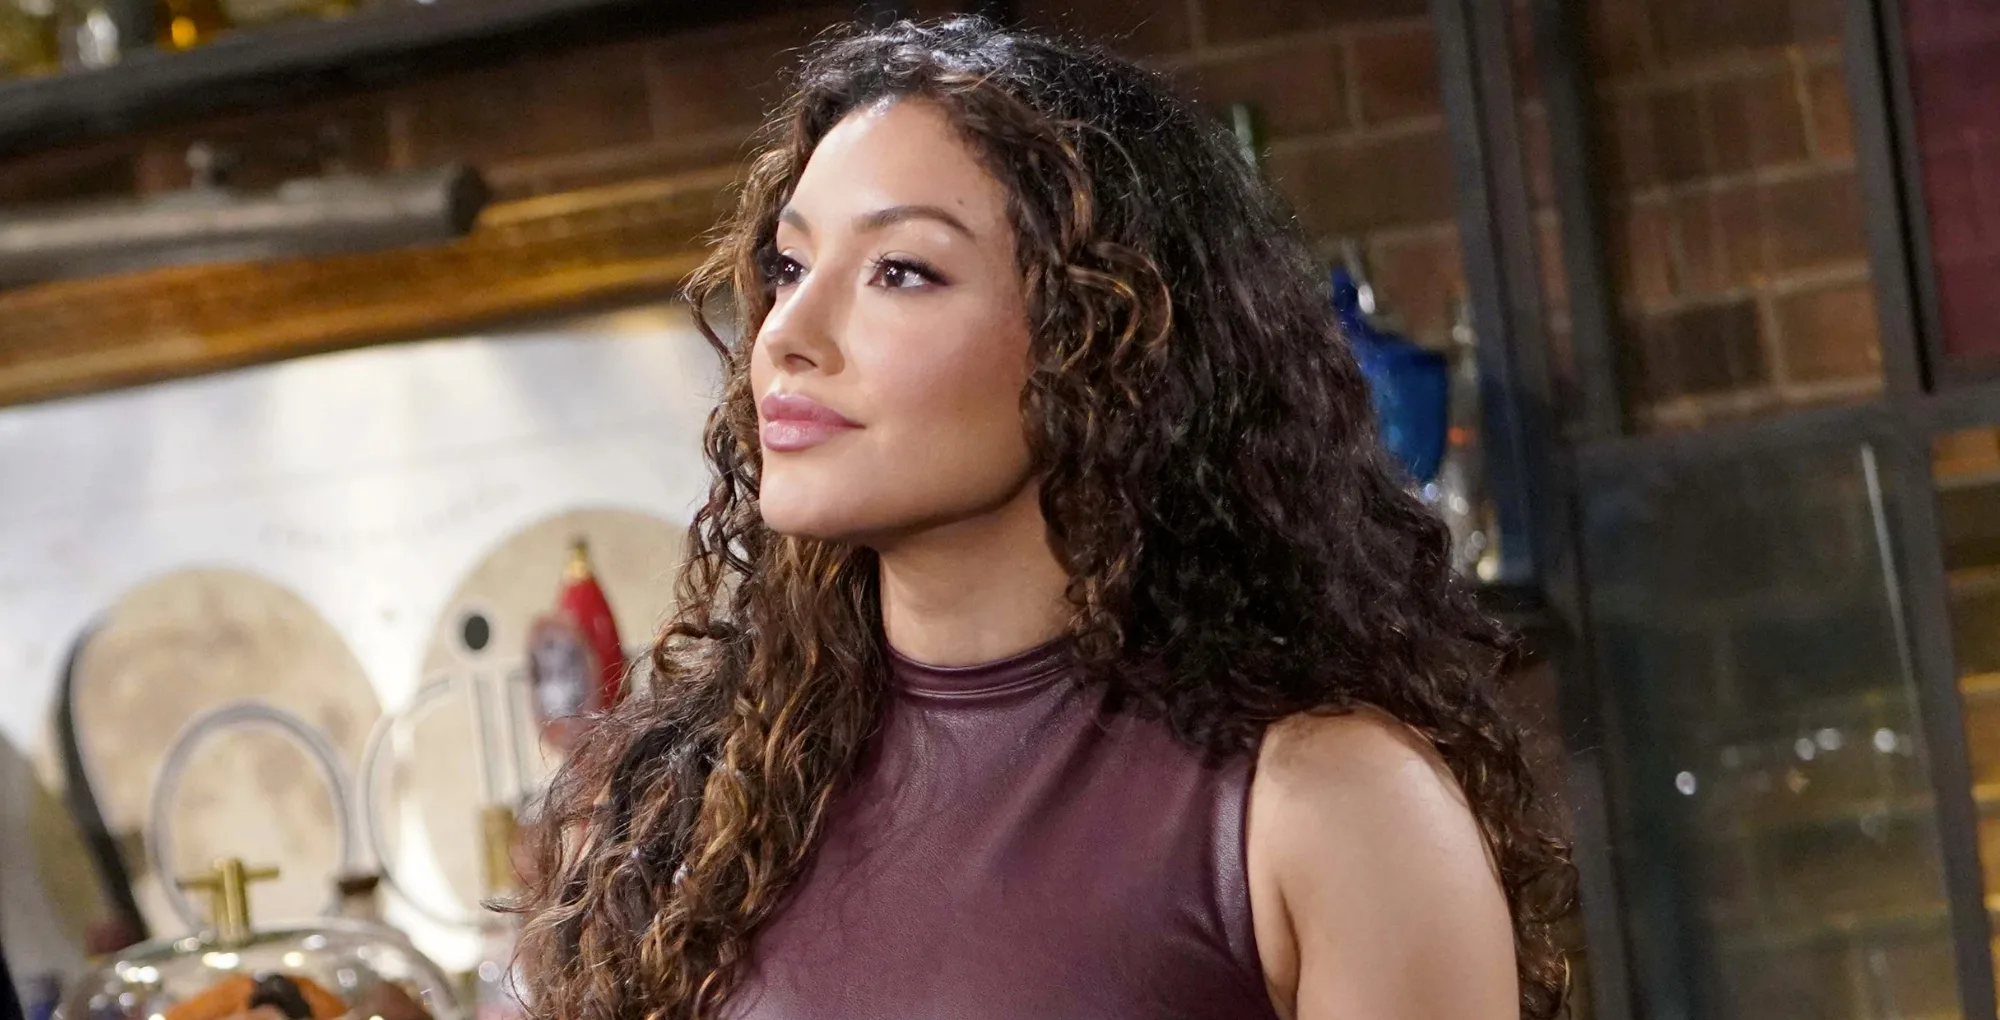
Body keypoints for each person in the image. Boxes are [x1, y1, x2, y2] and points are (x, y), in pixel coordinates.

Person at [515, 16, 1572, 1020]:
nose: (789, 331)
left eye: (901, 271)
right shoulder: (693, 805)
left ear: (1106, 337)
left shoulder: (1329, 808)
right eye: (789, 267)